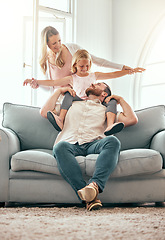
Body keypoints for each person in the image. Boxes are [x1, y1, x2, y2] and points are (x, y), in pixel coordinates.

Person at [50, 83, 138, 211]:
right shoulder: (71, 104)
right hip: (71, 143)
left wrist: (120, 99)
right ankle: (90, 196)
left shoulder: (108, 111)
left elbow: (132, 119)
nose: (92, 83)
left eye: (98, 84)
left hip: (94, 144)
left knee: (112, 141)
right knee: (60, 146)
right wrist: (59, 91)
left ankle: (94, 185)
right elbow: (44, 111)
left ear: (104, 93)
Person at [24, 49, 144, 135]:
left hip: (95, 103)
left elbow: (112, 74)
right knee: (68, 93)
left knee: (112, 101)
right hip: (79, 102)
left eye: (87, 66)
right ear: (75, 64)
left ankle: (110, 125)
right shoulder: (72, 78)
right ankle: (60, 118)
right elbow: (54, 82)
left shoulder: (94, 76)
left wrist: (129, 71)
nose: (85, 69)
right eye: (82, 66)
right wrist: (35, 81)